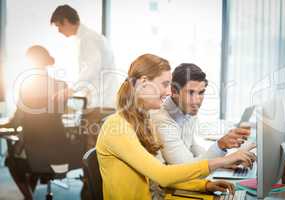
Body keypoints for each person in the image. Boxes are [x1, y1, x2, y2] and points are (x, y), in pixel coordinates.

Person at [96, 54, 256, 199]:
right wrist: (223, 161)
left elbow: (160, 175)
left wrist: (204, 185)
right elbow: (162, 175)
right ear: (144, 82)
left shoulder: (145, 122)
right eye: (165, 84)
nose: (168, 92)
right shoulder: (117, 127)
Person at [150, 63, 254, 165]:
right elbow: (186, 168)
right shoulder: (162, 120)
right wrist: (220, 146)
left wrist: (225, 161)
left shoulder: (188, 111)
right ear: (174, 91)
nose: (197, 100)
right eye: (190, 93)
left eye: (201, 93)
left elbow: (192, 147)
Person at [3, 45, 69, 200]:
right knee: (33, 154)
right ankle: (31, 193)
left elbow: (15, 122)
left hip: (34, 149)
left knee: (12, 160)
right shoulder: (61, 85)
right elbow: (57, 113)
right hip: (58, 151)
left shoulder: (27, 86)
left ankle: (28, 197)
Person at [50, 4, 116, 109]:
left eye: (59, 26)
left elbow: (91, 69)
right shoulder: (86, 38)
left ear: (66, 21)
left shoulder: (88, 39)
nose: (59, 31)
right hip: (99, 100)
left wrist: (71, 90)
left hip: (101, 101)